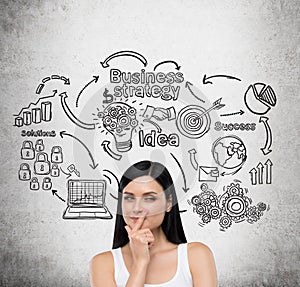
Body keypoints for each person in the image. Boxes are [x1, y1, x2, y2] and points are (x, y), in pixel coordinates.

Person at [90, 160, 217, 287]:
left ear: (168, 203)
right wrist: (140, 263)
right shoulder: (103, 263)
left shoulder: (196, 256)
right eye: (129, 198)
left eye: (149, 198)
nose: (137, 208)